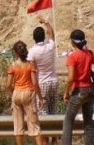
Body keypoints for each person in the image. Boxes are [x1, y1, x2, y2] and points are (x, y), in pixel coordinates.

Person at [61, 29, 94, 145]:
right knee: (88, 123)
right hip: (90, 90)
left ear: (72, 42)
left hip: (78, 90)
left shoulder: (72, 56)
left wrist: (66, 93)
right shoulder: (90, 53)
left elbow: (71, 78)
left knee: (68, 120)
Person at [27, 17, 58, 145]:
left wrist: (38, 95)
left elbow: (33, 73)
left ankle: (45, 142)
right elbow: (52, 34)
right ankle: (55, 140)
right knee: (54, 111)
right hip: (54, 81)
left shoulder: (32, 52)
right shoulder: (50, 46)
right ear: (43, 37)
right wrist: (46, 23)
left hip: (42, 83)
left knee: (43, 114)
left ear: (34, 38)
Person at [6, 41, 44, 145]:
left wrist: (14, 91)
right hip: (29, 93)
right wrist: (40, 97)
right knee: (35, 126)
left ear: (15, 53)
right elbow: (35, 83)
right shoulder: (31, 65)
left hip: (17, 93)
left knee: (18, 126)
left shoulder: (13, 65)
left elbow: (8, 85)